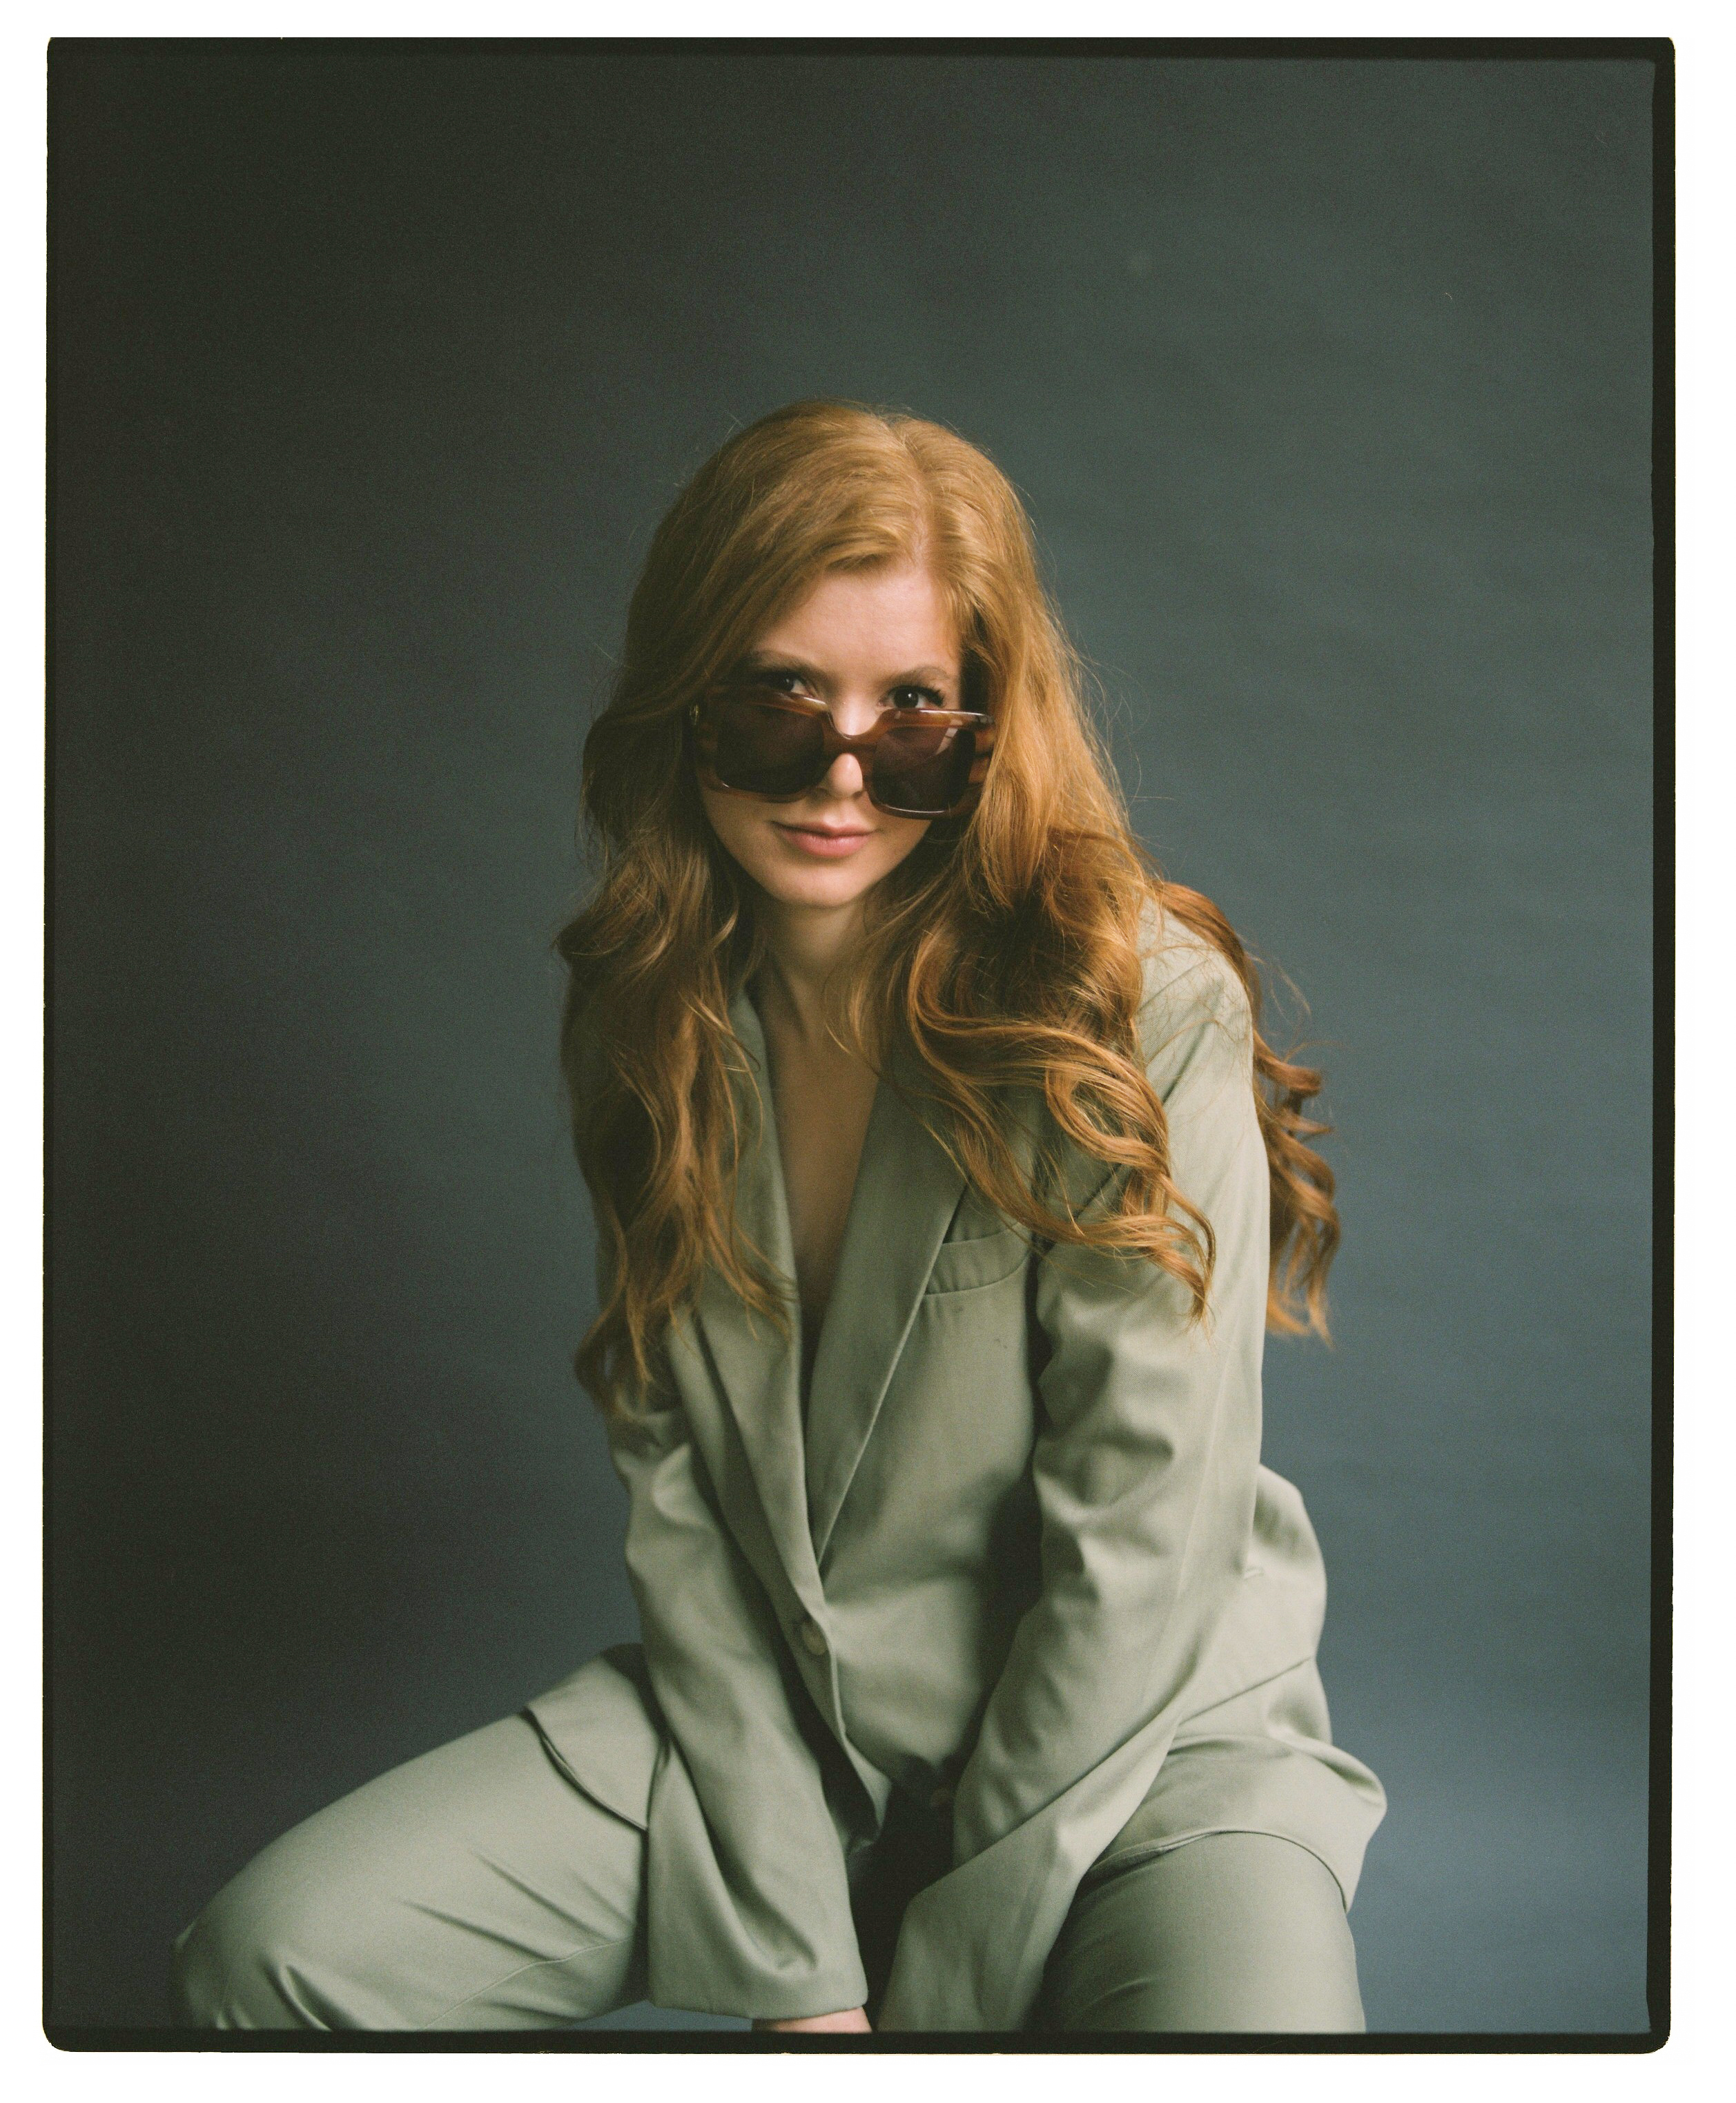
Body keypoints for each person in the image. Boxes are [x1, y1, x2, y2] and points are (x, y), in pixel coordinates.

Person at [171, 399, 1386, 2034]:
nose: (838, 776)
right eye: (779, 702)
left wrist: (936, 2003)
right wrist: (801, 1971)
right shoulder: (646, 1011)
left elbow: (1141, 1548)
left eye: (912, 716)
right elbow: (684, 1516)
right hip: (787, 1742)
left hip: (1147, 1752)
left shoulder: (1134, 1009)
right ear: (686, 702)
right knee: (269, 1963)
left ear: (988, 728)